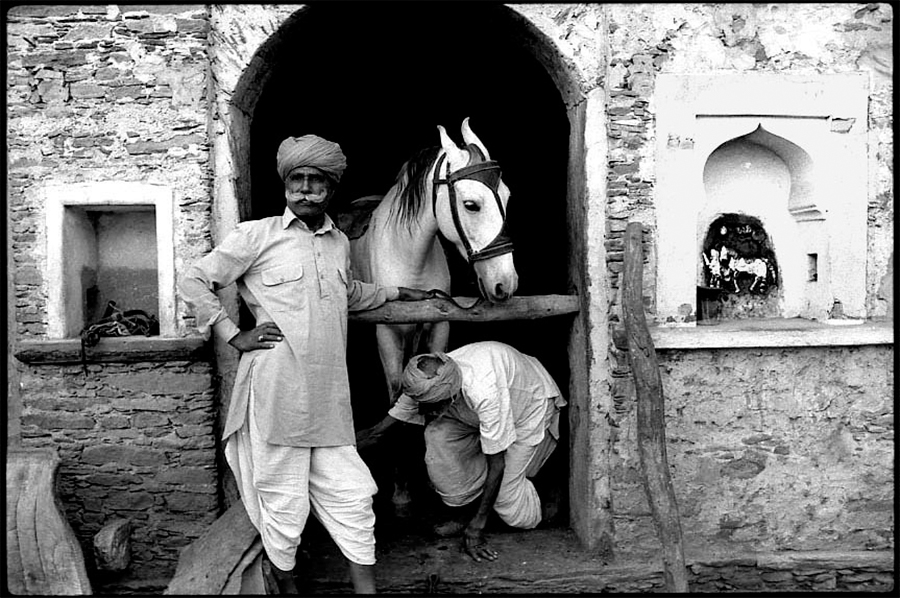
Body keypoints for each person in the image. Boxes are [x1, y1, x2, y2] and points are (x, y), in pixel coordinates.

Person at [180, 134, 430, 594]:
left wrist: (399, 293)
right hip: (277, 396)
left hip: (330, 402)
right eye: (299, 178)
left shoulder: (338, 243)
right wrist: (234, 335)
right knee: (283, 506)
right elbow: (194, 279)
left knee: (354, 499)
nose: (307, 187)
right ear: (287, 184)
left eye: (317, 180)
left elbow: (350, 294)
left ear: (331, 188)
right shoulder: (257, 235)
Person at [356, 340, 566, 563]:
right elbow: (390, 421)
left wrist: (478, 527)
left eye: (432, 405)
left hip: (528, 406)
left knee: (508, 503)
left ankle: (545, 493)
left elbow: (497, 463)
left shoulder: (484, 391)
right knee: (437, 435)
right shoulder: (424, 380)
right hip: (473, 406)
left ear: (450, 394)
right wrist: (355, 443)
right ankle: (465, 510)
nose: (425, 411)